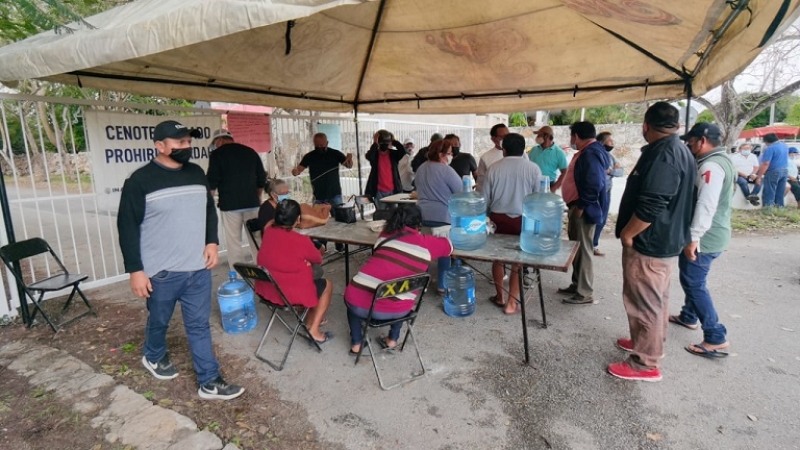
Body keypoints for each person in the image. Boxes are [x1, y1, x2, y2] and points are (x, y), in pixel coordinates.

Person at [117, 120, 244, 400]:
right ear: (160, 146)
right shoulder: (140, 181)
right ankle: (153, 354)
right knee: (159, 320)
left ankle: (209, 380)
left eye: (188, 141)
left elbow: (209, 210)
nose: (186, 147)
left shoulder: (197, 173)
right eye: (180, 142)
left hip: (198, 268)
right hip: (161, 272)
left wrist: (212, 242)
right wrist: (135, 270)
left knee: (198, 325)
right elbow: (127, 226)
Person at [609, 102, 696, 382]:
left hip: (650, 242)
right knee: (656, 299)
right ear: (677, 126)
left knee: (646, 302)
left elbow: (652, 203)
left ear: (645, 126)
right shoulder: (679, 150)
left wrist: (629, 233)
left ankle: (645, 363)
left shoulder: (665, 155)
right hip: (664, 240)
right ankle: (646, 344)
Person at [344, 204, 453, 354]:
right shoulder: (427, 243)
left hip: (359, 306)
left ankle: (356, 343)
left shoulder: (384, 235)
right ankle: (392, 339)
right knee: (402, 289)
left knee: (353, 295)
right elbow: (449, 246)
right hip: (399, 310)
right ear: (418, 225)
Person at [671, 122, 734, 359]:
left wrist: (694, 237)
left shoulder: (711, 166)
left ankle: (715, 336)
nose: (688, 145)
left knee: (693, 282)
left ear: (703, 141)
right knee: (694, 279)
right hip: (715, 232)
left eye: (691, 141)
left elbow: (706, 204)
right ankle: (688, 316)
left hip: (705, 237)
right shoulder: (723, 160)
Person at [256, 199, 334, 345]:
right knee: (326, 285)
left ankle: (310, 318)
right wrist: (308, 259)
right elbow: (318, 258)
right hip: (289, 291)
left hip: (268, 287)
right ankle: (314, 330)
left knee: (315, 272)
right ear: (298, 219)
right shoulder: (301, 240)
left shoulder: (268, 232)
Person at [484, 133, 543, 314]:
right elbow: (537, 199)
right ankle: (511, 303)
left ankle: (500, 296)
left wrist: (485, 218)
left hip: (498, 219)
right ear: (524, 150)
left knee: (498, 258)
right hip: (523, 220)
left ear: (504, 150)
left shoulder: (493, 168)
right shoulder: (533, 169)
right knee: (518, 262)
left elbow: (484, 199)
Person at [557, 122, 609, 305]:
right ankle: (577, 284)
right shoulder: (589, 151)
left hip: (584, 210)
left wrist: (581, 206)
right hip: (578, 207)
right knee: (577, 249)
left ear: (577, 136)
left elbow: (595, 183)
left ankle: (584, 292)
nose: (571, 140)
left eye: (572, 136)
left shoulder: (590, 153)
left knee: (584, 250)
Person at [206, 130, 267, 270]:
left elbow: (212, 181)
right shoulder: (250, 152)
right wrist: (257, 196)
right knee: (257, 239)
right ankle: (263, 270)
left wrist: (208, 203)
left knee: (234, 243)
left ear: (220, 140)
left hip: (230, 206)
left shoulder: (217, 154)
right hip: (252, 203)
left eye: (215, 143)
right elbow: (261, 177)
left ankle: (238, 275)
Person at [415, 139, 462, 293]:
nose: (451, 156)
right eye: (449, 153)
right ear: (441, 154)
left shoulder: (421, 168)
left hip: (422, 216)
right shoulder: (446, 170)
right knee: (444, 252)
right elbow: (460, 190)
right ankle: (442, 285)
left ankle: (422, 284)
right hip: (442, 217)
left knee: (424, 252)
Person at [291, 133, 354, 206]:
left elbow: (348, 165)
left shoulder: (335, 154)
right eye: (317, 145)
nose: (319, 147)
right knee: (318, 214)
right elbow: (298, 169)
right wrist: (295, 172)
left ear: (327, 143)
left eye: (321, 145)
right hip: (318, 196)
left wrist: (349, 160)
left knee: (338, 213)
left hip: (335, 194)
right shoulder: (309, 156)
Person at [592, 131, 624, 256]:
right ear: (601, 142)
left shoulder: (610, 157)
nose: (612, 143)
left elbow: (621, 171)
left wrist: (610, 171)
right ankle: (589, 244)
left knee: (603, 219)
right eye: (610, 141)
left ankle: (594, 244)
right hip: (597, 191)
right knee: (594, 218)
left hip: (607, 191)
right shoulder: (596, 155)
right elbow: (600, 172)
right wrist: (612, 170)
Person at [365, 130, 405, 210]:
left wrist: (394, 141)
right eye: (381, 143)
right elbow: (369, 156)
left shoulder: (393, 154)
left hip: (393, 191)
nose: (384, 145)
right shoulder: (375, 155)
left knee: (394, 214)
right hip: (379, 191)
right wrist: (375, 143)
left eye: (386, 143)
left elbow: (403, 151)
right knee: (381, 214)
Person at [527, 126, 568, 192]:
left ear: (547, 136)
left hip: (549, 184)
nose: (537, 137)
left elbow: (565, 172)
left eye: (539, 135)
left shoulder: (559, 152)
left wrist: (554, 188)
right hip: (532, 184)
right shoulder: (534, 150)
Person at [755, 133, 789, 208]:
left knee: (769, 191)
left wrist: (759, 177)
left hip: (773, 171)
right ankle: (779, 207)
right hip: (784, 170)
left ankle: (768, 208)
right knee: (780, 191)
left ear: (766, 141)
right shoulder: (784, 146)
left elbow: (765, 164)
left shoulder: (770, 148)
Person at [475, 123, 510, 192]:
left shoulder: (520, 154)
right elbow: (481, 184)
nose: (506, 139)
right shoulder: (485, 157)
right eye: (502, 137)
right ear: (493, 139)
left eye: (508, 136)